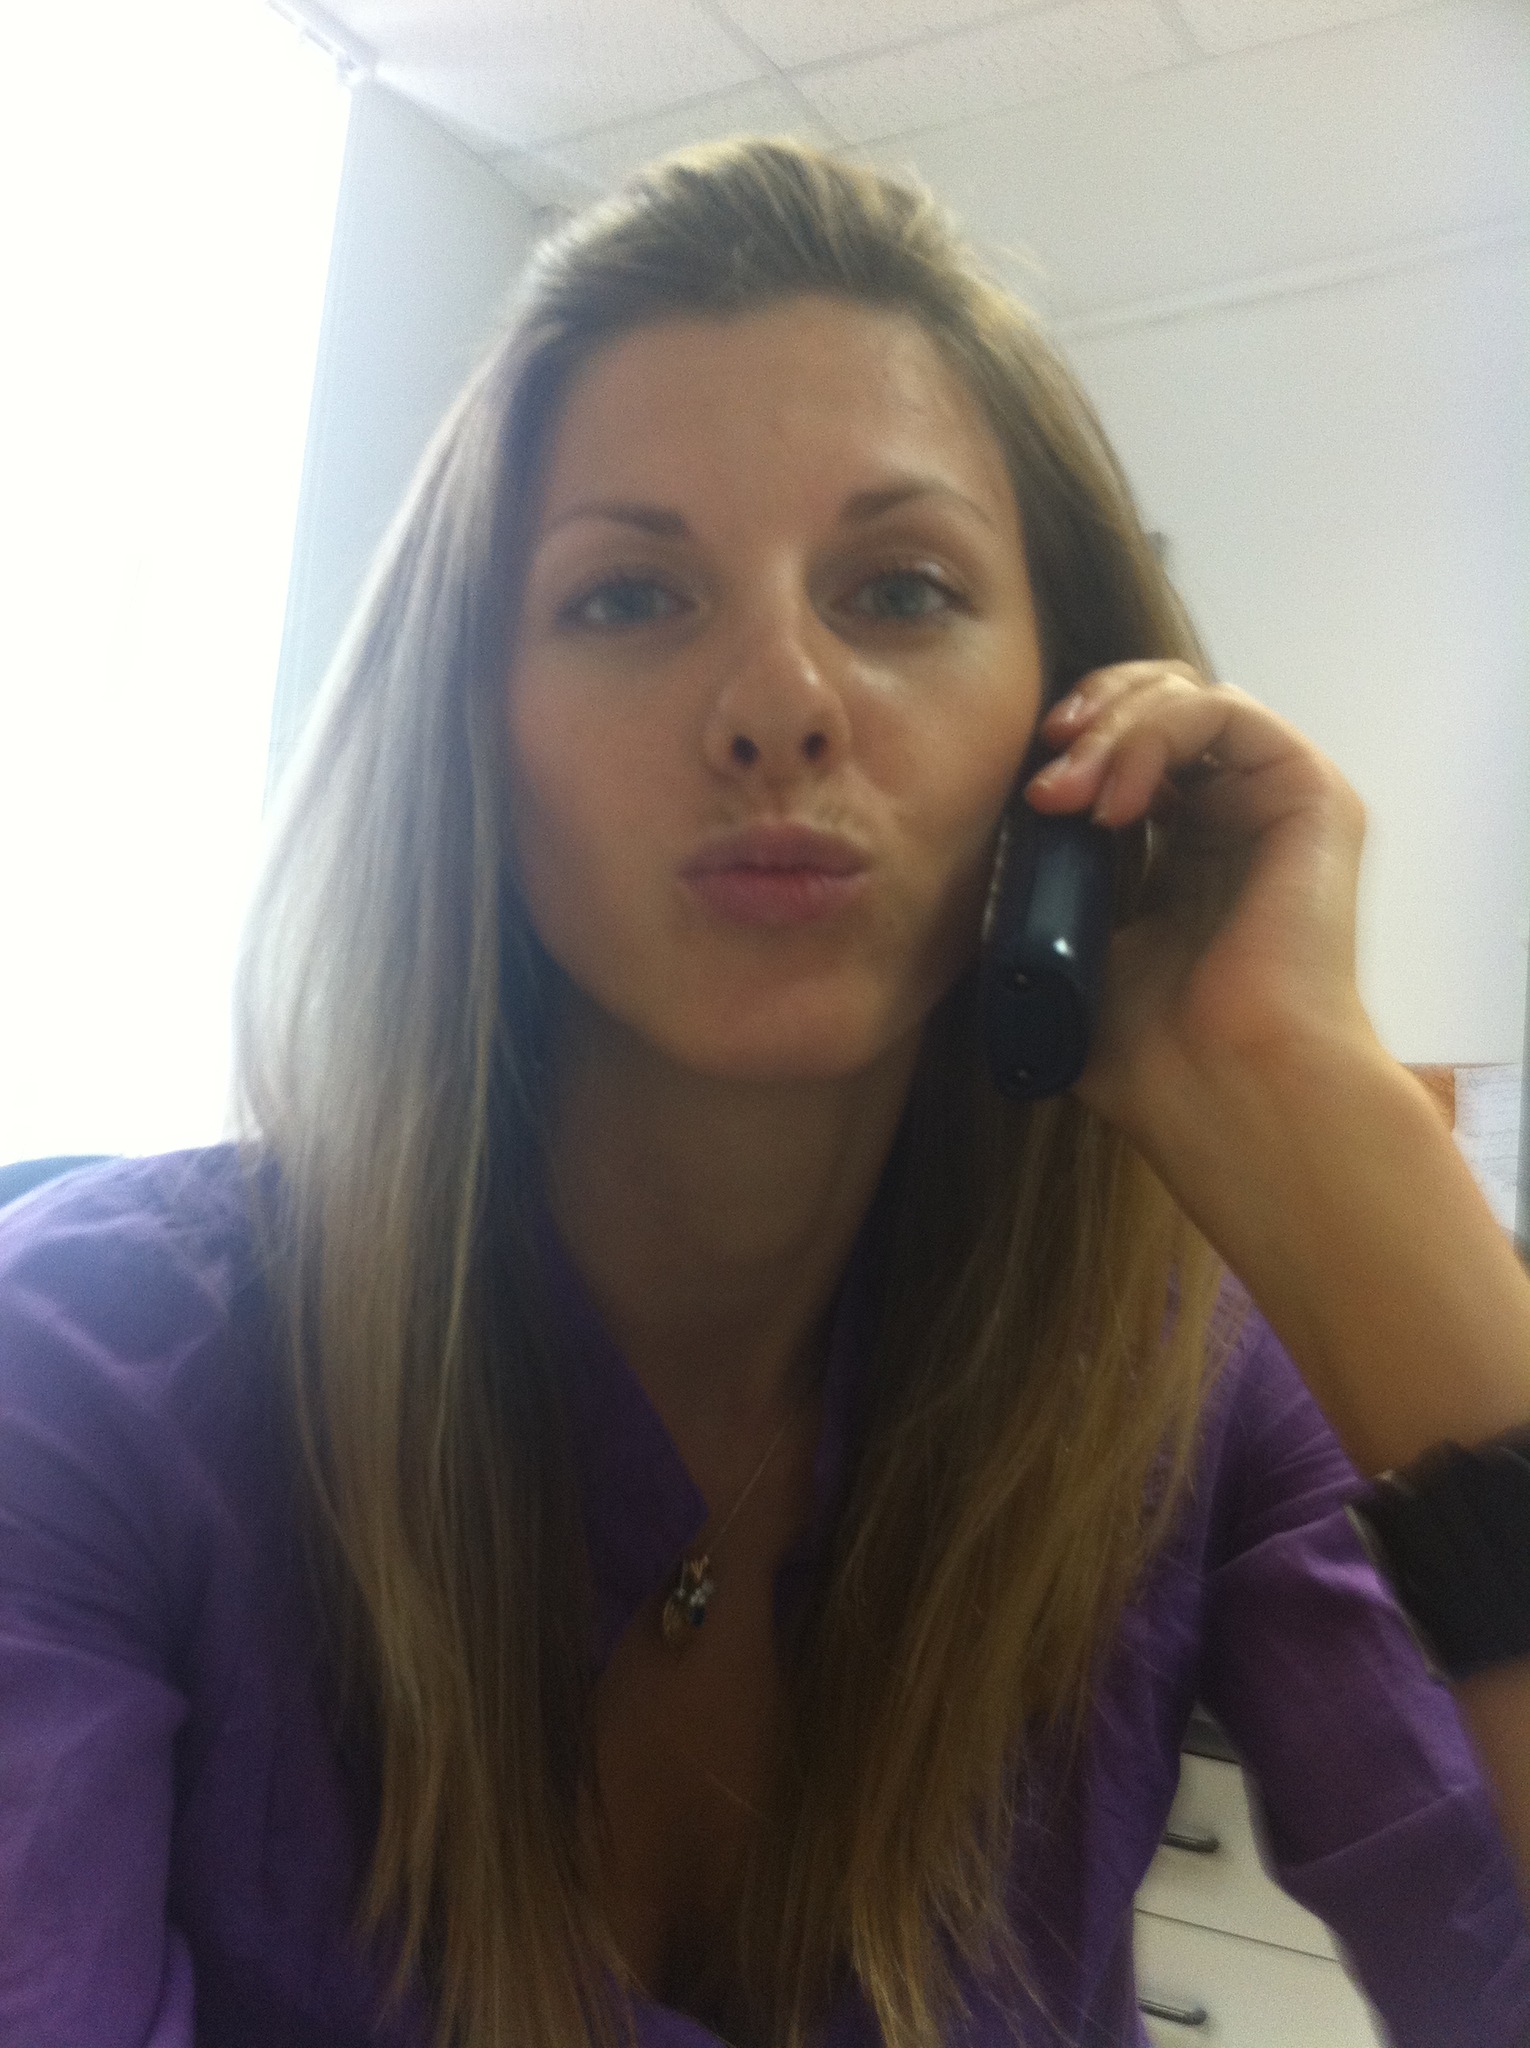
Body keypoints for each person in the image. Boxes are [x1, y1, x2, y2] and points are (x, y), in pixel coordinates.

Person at [0, 139, 1527, 2048]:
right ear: (471, 733)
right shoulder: (80, 1380)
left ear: (1069, 730)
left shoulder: (1176, 1392)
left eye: (900, 588)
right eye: (628, 598)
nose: (781, 701)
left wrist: (1335, 1127)